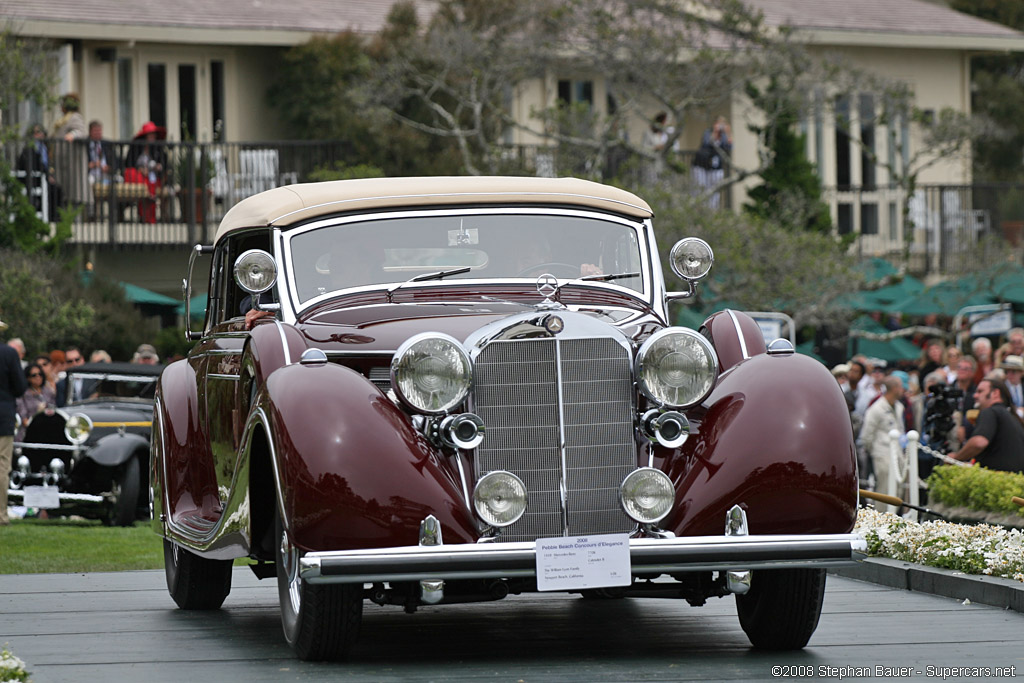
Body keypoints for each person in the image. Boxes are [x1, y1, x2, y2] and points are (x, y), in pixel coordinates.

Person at [951, 378, 1024, 473]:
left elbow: (979, 442)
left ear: (995, 393)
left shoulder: (990, 412)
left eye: (980, 391)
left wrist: (955, 458)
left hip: (995, 482)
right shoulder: (1013, 418)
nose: (975, 395)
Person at [859, 376, 905, 512]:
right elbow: (867, 435)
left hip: (898, 453)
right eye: (901, 386)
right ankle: (880, 520)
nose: (903, 390)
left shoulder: (899, 407)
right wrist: (874, 452)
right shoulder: (876, 409)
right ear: (895, 388)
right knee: (884, 489)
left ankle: (895, 519)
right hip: (882, 454)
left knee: (899, 488)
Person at [1, 334, 28, 525]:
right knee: (2, 466)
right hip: (2, 416)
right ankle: (1, 514)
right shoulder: (9, 353)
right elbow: (20, 387)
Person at [124, 121, 168, 223]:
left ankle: (148, 218)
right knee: (140, 183)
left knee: (150, 186)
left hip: (153, 179)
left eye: (154, 135)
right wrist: (140, 169)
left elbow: (164, 166)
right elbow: (128, 164)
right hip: (139, 178)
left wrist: (157, 167)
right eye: (150, 135)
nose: (152, 138)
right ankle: (144, 215)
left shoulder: (159, 150)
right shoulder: (135, 148)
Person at [17, 123, 63, 219]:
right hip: (32, 180)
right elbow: (35, 165)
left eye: (41, 132)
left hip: (42, 178)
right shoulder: (31, 148)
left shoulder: (44, 148)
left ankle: (55, 216)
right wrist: (47, 176)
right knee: (54, 190)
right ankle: (52, 217)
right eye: (37, 132)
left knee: (57, 189)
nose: (40, 135)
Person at [51, 93, 88, 208]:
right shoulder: (63, 120)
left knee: (73, 192)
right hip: (62, 163)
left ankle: (74, 221)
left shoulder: (75, 117)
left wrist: (72, 135)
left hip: (72, 163)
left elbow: (81, 132)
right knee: (63, 193)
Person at [691, 115, 732, 209]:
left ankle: (712, 210)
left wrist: (728, 133)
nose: (720, 126)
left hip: (716, 167)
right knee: (700, 188)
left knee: (714, 190)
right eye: (719, 123)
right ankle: (698, 208)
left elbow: (729, 147)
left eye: (722, 124)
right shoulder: (708, 132)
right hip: (702, 165)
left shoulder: (724, 135)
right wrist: (715, 131)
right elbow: (706, 142)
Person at [16, 363, 55, 440]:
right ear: (28, 378)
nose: (38, 377)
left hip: (48, 428)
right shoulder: (22, 394)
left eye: (40, 374)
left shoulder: (48, 392)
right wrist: (38, 412)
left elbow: (54, 408)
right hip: (29, 431)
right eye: (34, 375)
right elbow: (24, 419)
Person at [86, 120, 116, 218]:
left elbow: (116, 162)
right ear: (90, 132)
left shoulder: (107, 144)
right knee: (89, 183)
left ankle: (115, 215)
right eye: (95, 131)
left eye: (99, 131)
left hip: (105, 174)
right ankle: (91, 214)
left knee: (118, 181)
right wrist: (91, 165)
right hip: (91, 174)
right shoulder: (85, 144)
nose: (98, 133)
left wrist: (109, 168)